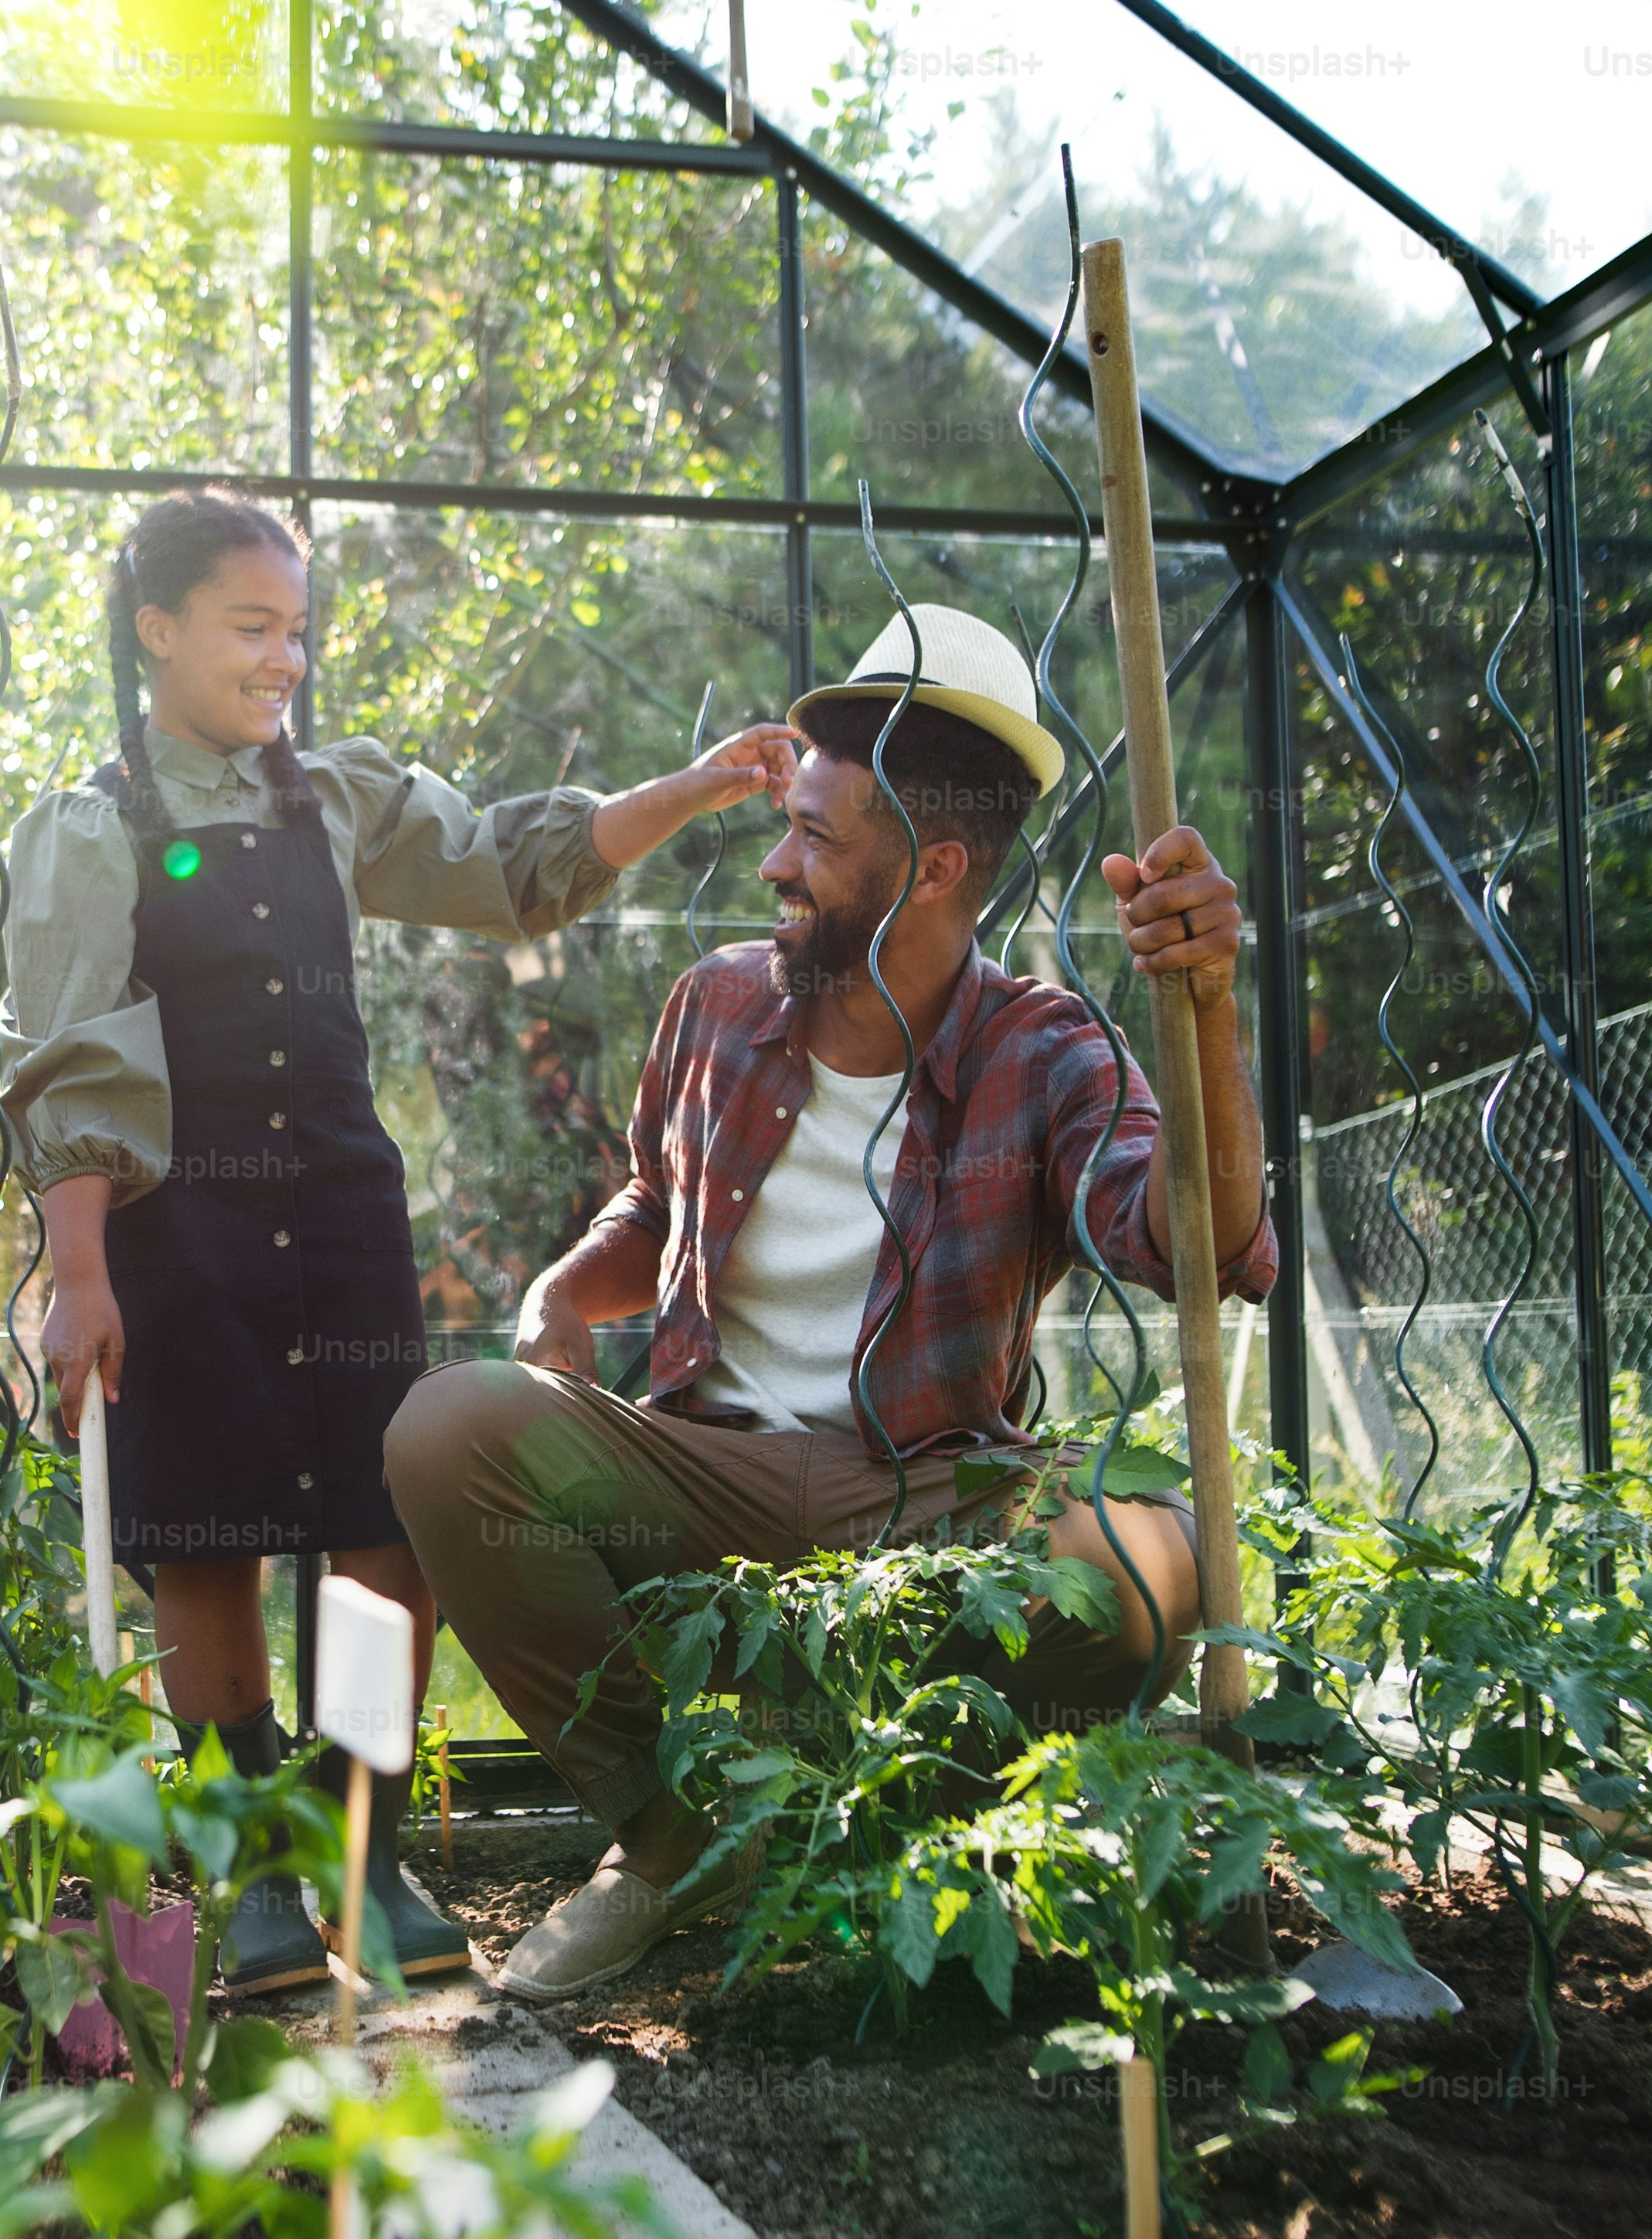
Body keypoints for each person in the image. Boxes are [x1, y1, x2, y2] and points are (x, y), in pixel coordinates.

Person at [380, 601, 1278, 2003]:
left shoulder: (1047, 1048)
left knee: (1150, 1567)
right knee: (447, 1430)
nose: (777, 866)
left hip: (926, 1490)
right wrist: (566, 1286)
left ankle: (918, 1828)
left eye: (814, 840)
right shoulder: (718, 1006)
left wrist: (1210, 1006)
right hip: (705, 1475)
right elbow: (656, 1212)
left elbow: (1199, 1247)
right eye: (784, 825)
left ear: (934, 869)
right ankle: (675, 1844)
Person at [0, 486, 801, 1993]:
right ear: (155, 631)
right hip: (182, 1235)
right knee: (210, 1538)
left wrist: (692, 788)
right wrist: (82, 1274)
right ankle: (242, 1866)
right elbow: (72, 1057)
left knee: (378, 1541)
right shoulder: (95, 828)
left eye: (296, 630)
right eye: (252, 627)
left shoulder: (336, 798)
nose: (283, 659)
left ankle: (360, 1845)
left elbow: (506, 867)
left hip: (346, 1217)